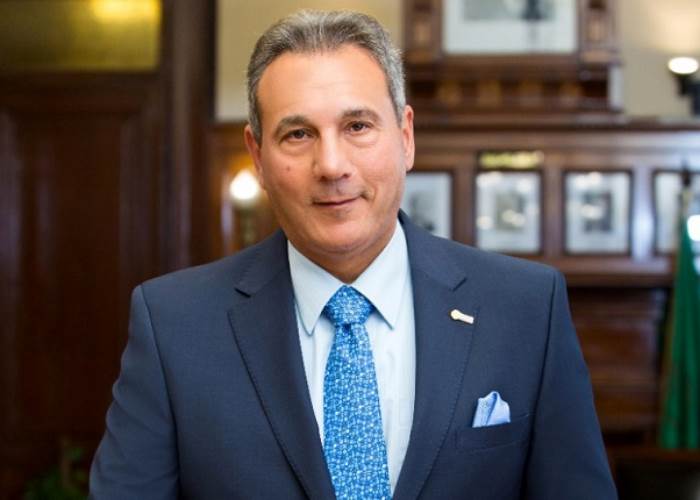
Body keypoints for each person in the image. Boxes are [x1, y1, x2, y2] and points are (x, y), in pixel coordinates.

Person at [89, 9, 617, 500]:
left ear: (405, 137)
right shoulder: (174, 325)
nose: (332, 165)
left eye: (357, 126)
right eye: (298, 134)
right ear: (258, 156)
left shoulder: (526, 308)